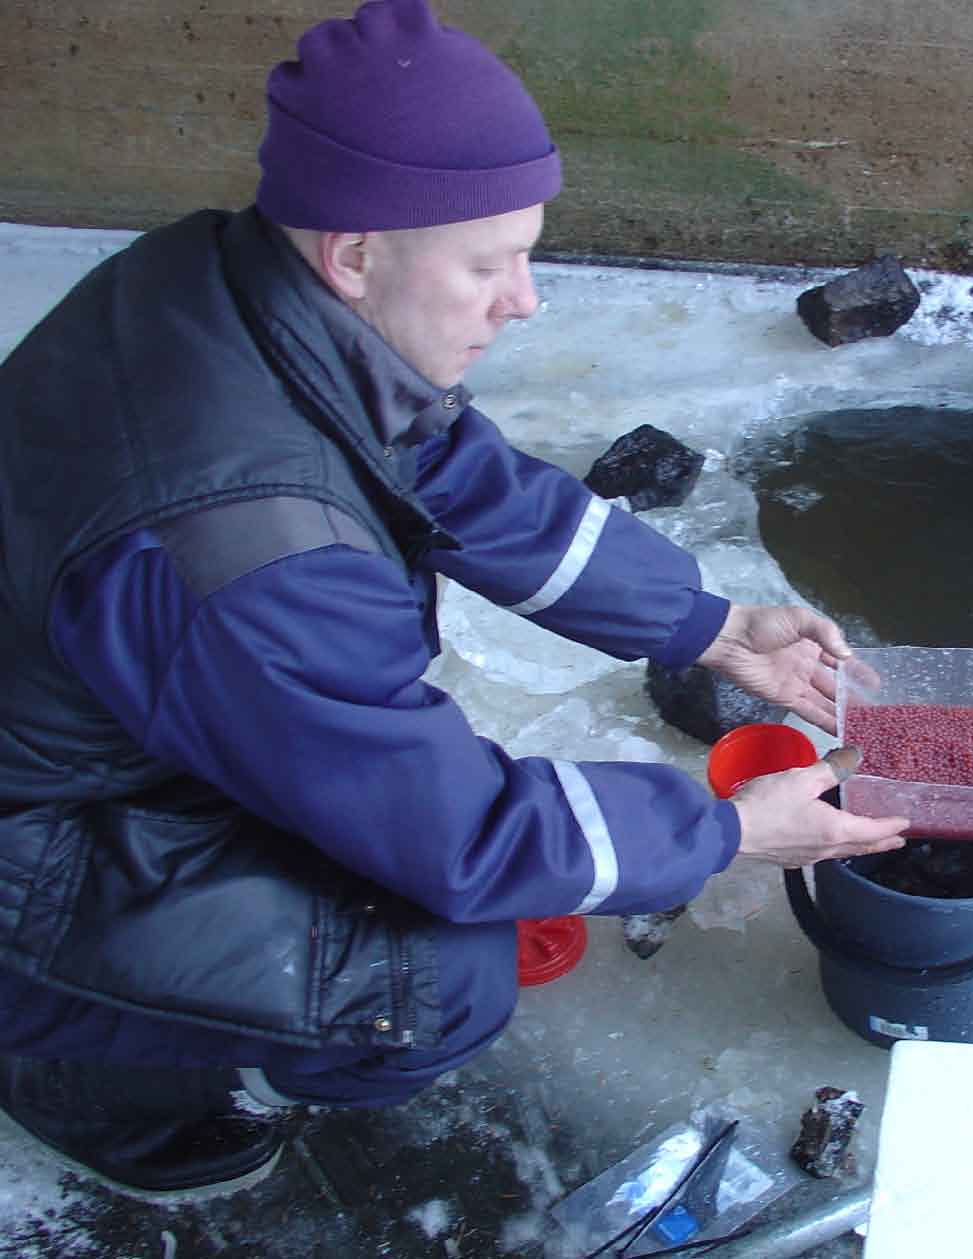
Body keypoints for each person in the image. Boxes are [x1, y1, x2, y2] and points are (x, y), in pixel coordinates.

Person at [0, 0, 908, 1200]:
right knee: (429, 983)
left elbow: (451, 473)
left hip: (115, 722)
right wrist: (725, 830)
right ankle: (81, 1073)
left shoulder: (228, 287)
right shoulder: (247, 546)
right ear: (358, 252)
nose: (524, 299)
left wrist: (714, 626)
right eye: (489, 264)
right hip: (38, 845)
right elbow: (460, 839)